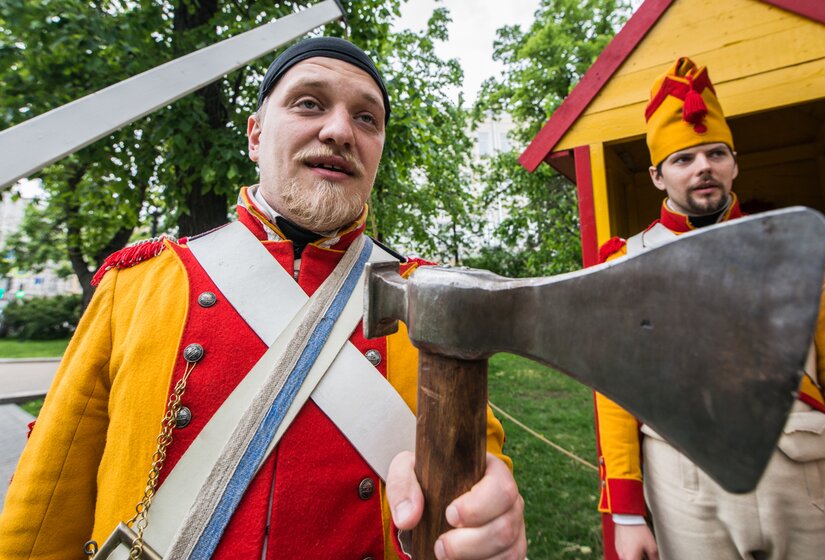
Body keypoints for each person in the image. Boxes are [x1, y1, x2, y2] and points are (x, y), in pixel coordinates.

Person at [0, 37, 526, 560]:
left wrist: (487, 519)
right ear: (255, 136)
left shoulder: (429, 302)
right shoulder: (136, 286)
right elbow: (44, 509)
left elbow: (474, 464)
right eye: (309, 103)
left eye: (367, 118)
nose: (340, 130)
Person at [595, 57, 825, 560]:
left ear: (734, 163)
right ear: (656, 175)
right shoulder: (625, 263)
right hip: (685, 482)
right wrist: (627, 513)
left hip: (806, 477)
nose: (703, 168)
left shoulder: (800, 249)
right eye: (683, 159)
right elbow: (615, 391)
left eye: (715, 153)